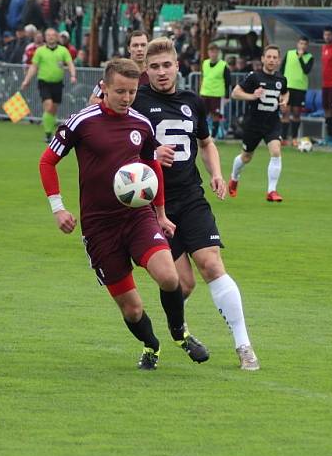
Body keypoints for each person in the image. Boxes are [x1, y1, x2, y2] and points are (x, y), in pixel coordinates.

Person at [38, 58, 210, 370]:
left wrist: (160, 212)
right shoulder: (81, 122)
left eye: (132, 92)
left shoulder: (141, 124)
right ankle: (151, 345)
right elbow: (46, 162)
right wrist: (58, 207)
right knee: (131, 310)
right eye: (120, 91)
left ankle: (179, 333)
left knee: (170, 278)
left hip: (137, 217)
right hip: (99, 227)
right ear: (103, 88)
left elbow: (153, 164)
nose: (127, 98)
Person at [132, 38, 259, 370]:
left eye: (167, 65)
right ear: (146, 69)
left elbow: (206, 142)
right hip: (155, 206)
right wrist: (149, 154)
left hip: (192, 199)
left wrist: (216, 173)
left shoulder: (192, 102)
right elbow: (122, 146)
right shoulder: (137, 102)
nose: (161, 72)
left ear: (178, 66)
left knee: (212, 265)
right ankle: (168, 335)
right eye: (155, 66)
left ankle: (244, 346)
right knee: (181, 283)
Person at [228, 45, 289, 202]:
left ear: (279, 61)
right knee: (246, 157)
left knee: (276, 152)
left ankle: (272, 191)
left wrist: (285, 101)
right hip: (253, 124)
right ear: (263, 59)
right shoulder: (254, 77)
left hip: (272, 123)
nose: (271, 60)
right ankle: (234, 177)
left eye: (275, 57)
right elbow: (235, 93)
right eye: (269, 57)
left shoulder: (281, 79)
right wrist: (252, 96)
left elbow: (285, 92)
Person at [21, 28, 77, 142]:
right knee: (49, 105)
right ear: (45, 37)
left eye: (53, 35)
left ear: (56, 37)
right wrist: (26, 80)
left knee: (53, 110)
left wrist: (73, 75)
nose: (51, 37)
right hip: (44, 82)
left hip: (57, 83)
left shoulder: (63, 51)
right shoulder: (40, 51)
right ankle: (47, 134)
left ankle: (50, 132)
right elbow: (34, 67)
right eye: (48, 35)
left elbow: (70, 63)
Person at [89, 30, 149, 105]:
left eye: (143, 45)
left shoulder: (154, 74)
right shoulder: (116, 70)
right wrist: (117, 109)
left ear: (148, 47)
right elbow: (93, 99)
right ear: (129, 49)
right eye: (135, 45)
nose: (139, 49)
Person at [280, 36, 314, 146]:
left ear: (307, 45)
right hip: (287, 87)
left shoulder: (309, 57)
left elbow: (306, 70)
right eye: (301, 43)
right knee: (285, 112)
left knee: (296, 113)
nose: (302, 46)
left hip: (300, 88)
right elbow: (282, 69)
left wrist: (300, 58)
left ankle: (294, 138)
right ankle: (283, 138)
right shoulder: (289, 54)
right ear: (297, 44)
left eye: (304, 44)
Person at [199, 43, 231, 139]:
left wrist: (227, 96)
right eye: (211, 51)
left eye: (215, 52)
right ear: (208, 52)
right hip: (205, 93)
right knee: (202, 115)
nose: (213, 54)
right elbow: (203, 77)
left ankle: (213, 136)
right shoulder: (204, 63)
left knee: (216, 116)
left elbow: (228, 81)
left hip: (217, 94)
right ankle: (202, 135)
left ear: (218, 53)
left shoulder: (223, 65)